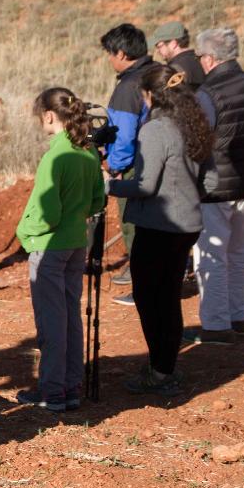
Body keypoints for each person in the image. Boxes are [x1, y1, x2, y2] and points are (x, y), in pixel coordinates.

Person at [107, 64, 213, 394]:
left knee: (151, 299)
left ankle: (160, 370)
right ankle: (165, 365)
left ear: (151, 95)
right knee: (168, 297)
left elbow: (145, 185)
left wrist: (110, 186)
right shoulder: (192, 122)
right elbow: (208, 179)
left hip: (159, 226)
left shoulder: (156, 130)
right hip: (187, 225)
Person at [14, 89, 106, 412]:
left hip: (50, 247)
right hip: (77, 243)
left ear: (49, 116)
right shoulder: (88, 150)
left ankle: (51, 391)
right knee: (69, 315)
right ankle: (69, 386)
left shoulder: (55, 156)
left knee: (51, 320)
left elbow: (46, 213)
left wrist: (24, 232)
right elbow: (98, 201)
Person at [192, 27, 244, 341]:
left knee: (212, 255)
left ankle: (216, 325)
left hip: (215, 186)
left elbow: (197, 142)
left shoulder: (208, 93)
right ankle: (237, 316)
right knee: (240, 252)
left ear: (209, 58)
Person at [99, 23, 153, 301]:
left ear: (121, 53)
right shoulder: (157, 74)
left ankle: (144, 288)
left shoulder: (128, 87)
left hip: (134, 166)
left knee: (133, 223)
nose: (109, 59)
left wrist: (115, 167)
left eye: (110, 53)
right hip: (160, 159)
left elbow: (123, 134)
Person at [151, 21, 207, 91]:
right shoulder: (201, 59)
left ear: (173, 44)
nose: (157, 51)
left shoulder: (174, 69)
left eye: (159, 46)